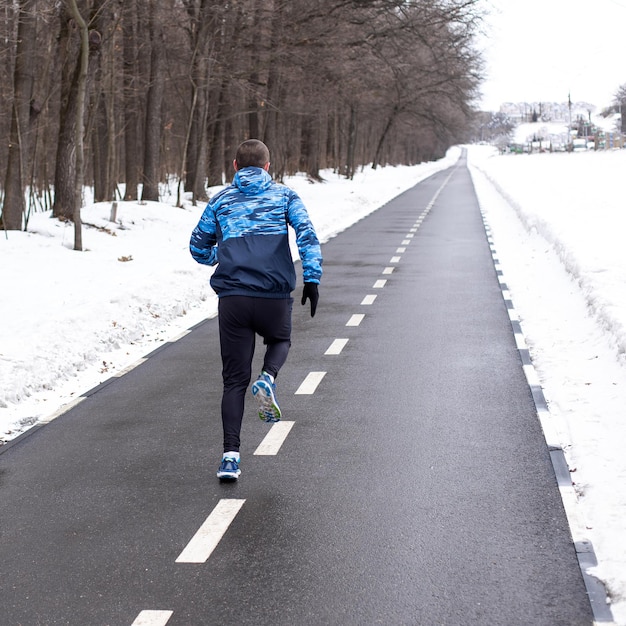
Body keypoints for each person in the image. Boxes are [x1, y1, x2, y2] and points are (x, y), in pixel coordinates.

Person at [189, 139, 323, 481]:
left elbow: (197, 246)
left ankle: (230, 458)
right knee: (280, 340)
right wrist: (312, 278)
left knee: (233, 381)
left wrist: (223, 256)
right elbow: (306, 234)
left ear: (235, 166)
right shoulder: (285, 196)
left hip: (232, 299)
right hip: (272, 295)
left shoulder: (220, 200)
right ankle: (268, 377)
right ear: (267, 166)